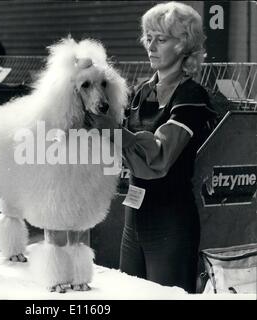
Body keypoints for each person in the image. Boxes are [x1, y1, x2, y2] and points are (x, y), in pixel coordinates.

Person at [85, 2, 216, 293]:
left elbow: (158, 157)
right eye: (148, 38)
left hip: (170, 221)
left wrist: (110, 130)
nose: (151, 46)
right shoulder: (142, 90)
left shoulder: (191, 95)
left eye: (162, 39)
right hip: (134, 219)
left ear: (184, 45)